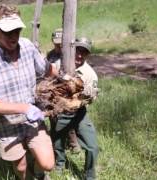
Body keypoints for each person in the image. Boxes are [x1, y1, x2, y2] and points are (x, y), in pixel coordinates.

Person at [0, 4, 56, 180]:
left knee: (47, 163)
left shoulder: (27, 46)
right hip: (7, 127)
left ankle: (39, 173)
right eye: (8, 32)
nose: (14, 36)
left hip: (32, 121)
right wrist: (25, 108)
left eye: (17, 30)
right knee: (20, 167)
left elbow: (45, 69)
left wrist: (65, 76)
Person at [50, 37, 99, 180]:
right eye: (78, 50)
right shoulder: (59, 64)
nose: (79, 55)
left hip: (79, 113)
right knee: (57, 140)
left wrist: (82, 97)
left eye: (84, 52)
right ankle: (59, 165)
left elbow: (92, 98)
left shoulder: (90, 74)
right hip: (59, 111)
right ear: (72, 50)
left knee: (92, 147)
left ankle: (89, 175)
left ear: (87, 55)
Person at [46, 28, 81, 153]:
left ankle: (73, 143)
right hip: (53, 89)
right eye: (56, 44)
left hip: (66, 90)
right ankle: (56, 140)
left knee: (67, 116)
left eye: (61, 44)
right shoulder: (50, 55)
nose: (58, 46)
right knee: (53, 116)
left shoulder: (70, 55)